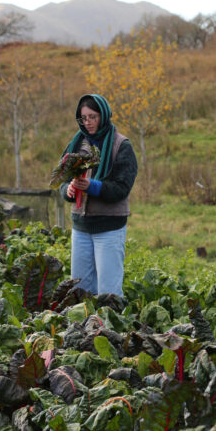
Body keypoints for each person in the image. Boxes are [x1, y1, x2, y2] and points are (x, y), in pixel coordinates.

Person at [59, 94, 138, 298]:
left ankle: (108, 328)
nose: (88, 122)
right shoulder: (76, 144)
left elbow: (122, 188)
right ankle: (86, 330)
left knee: (108, 293)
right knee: (80, 291)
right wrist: (68, 190)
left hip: (109, 227)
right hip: (81, 227)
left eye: (92, 117)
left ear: (103, 115)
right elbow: (61, 178)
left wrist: (93, 187)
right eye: (83, 118)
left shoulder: (121, 146)